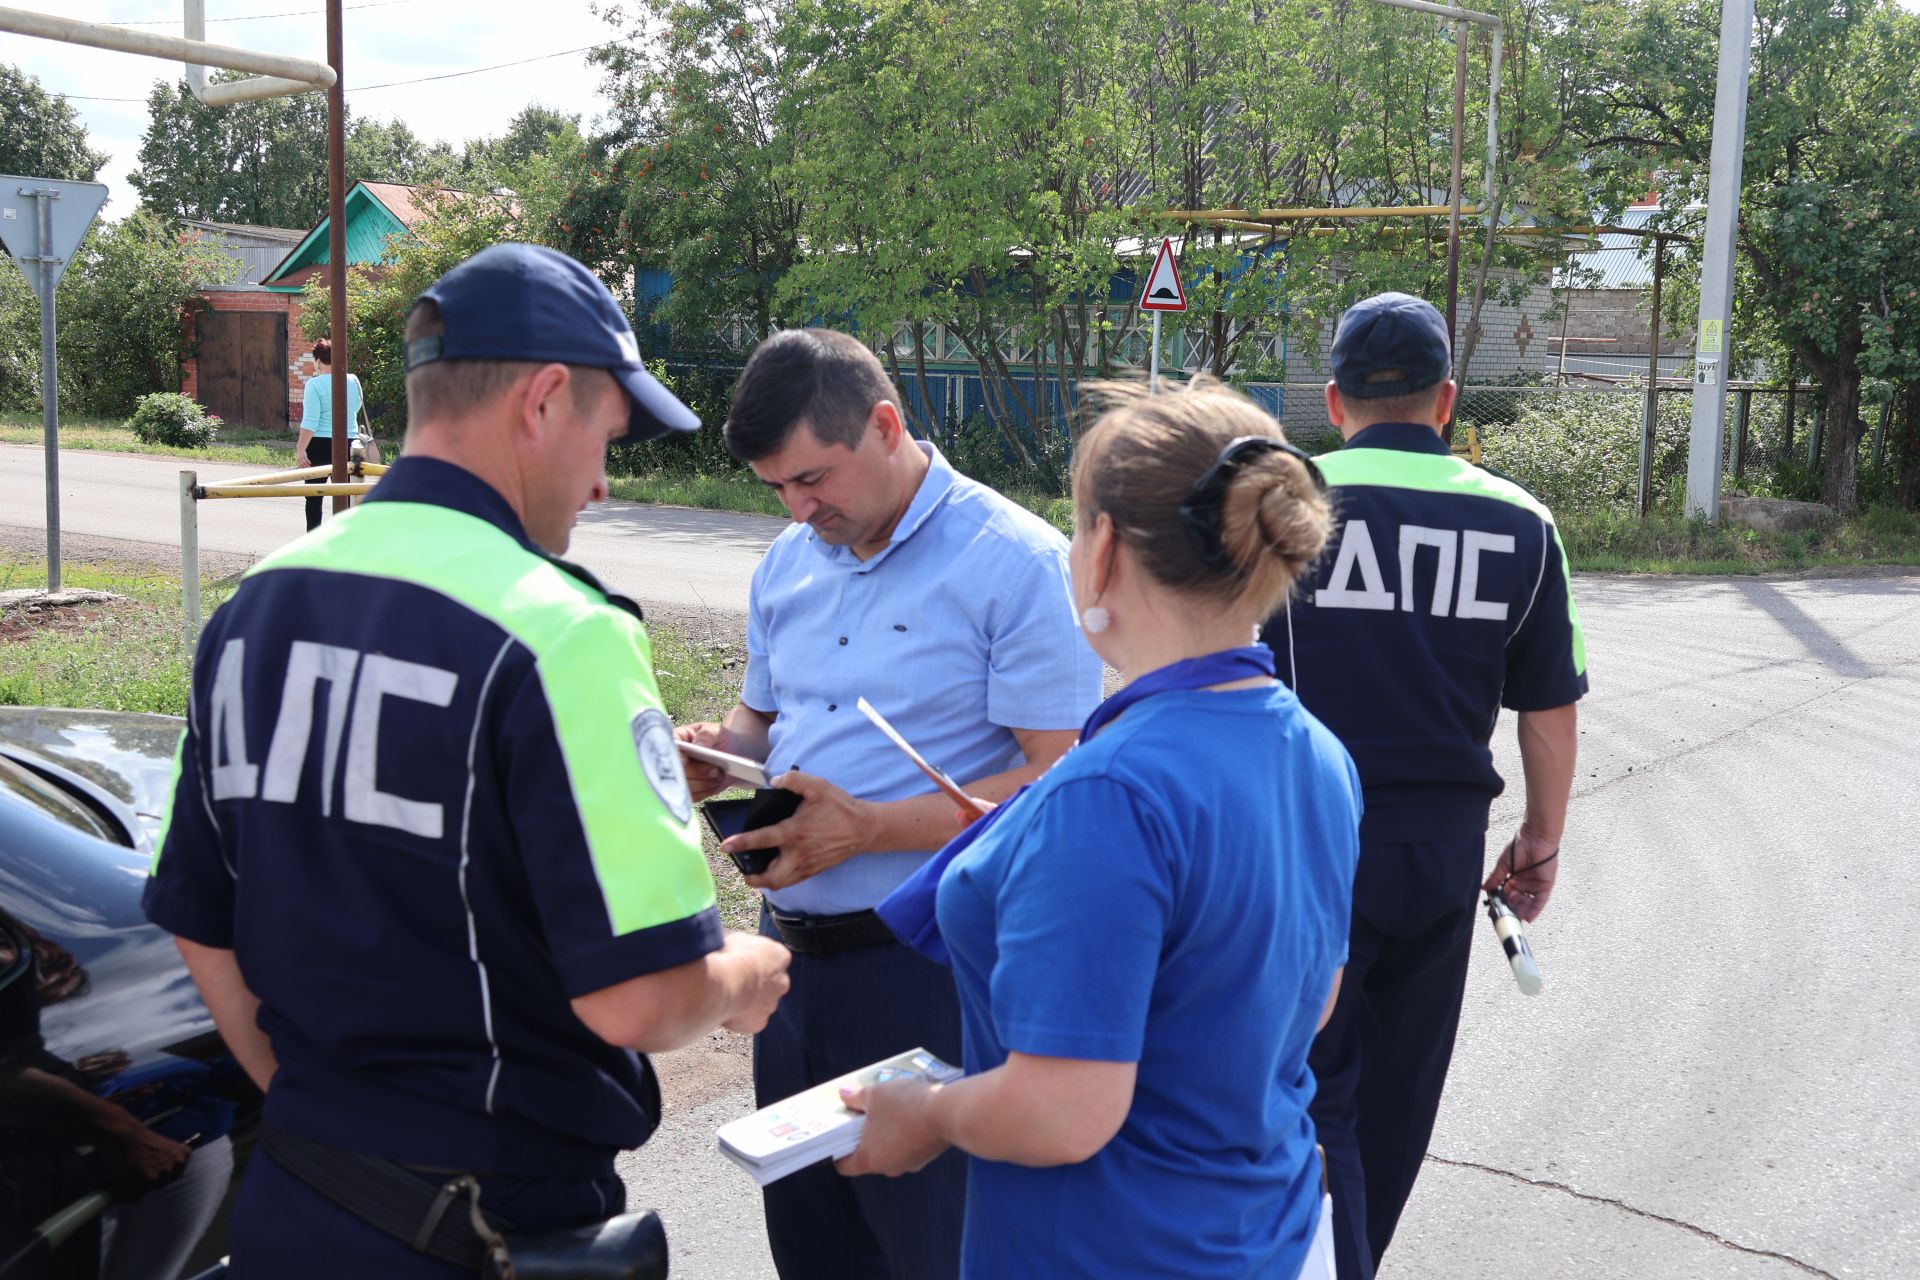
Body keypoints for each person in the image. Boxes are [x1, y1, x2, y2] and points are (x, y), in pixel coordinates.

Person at [141, 243, 792, 1279]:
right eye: (605, 435)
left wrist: (326, 1106)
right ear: (542, 401)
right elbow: (641, 998)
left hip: (299, 1195)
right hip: (486, 1222)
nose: (602, 479)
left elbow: (196, 912)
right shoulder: (560, 630)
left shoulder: (256, 603)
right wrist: (747, 974)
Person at [837, 377, 1359, 1280]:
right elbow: (1308, 1001)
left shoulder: (1109, 793)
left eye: (1077, 526)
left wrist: (925, 1114)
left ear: (1105, 546)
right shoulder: (1314, 752)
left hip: (1109, 1247)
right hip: (1262, 1232)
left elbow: (1063, 1111)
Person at [675, 328, 1102, 1280]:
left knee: (933, 1249)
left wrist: (870, 827)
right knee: (815, 1248)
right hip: (792, 967)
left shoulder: (1017, 562)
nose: (799, 506)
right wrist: (721, 756)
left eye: (814, 478)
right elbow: (761, 720)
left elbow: (1062, 782)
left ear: (886, 424)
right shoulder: (787, 561)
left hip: (930, 969)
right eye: (778, 487)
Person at [1262, 292, 1587, 1280]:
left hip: (1305, 838)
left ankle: (1334, 1256)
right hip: (1439, 857)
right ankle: (1356, 1253)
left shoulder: (1282, 505)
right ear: (1446, 399)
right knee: (1400, 1096)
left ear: (1333, 397)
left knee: (1313, 1092)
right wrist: (1540, 838)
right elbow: (1548, 708)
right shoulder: (1522, 522)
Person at [296, 338, 373, 532]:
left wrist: (301, 449)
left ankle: (313, 540)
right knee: (346, 496)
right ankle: (345, 539)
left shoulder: (314, 385)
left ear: (318, 361)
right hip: (350, 442)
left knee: (314, 496)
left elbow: (310, 422)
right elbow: (355, 408)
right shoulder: (353, 380)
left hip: (319, 445)